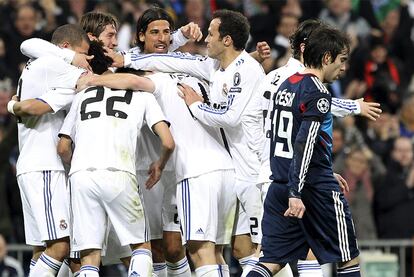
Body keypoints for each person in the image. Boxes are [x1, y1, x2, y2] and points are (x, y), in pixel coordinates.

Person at [76, 67, 237, 277]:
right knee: (212, 251)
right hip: (220, 167)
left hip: (190, 172)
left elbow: (63, 145)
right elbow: (169, 142)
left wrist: (92, 79)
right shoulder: (196, 77)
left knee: (197, 251)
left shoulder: (149, 87)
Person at [257, 19, 382, 276]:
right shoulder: (317, 93)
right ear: (327, 58)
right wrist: (300, 188)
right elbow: (304, 143)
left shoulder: (286, 84)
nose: (344, 68)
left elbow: (283, 140)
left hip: (278, 182)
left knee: (271, 262)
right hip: (309, 188)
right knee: (348, 256)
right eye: (342, 60)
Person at [57, 41, 175, 277]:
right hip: (119, 173)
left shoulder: (83, 94)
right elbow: (168, 142)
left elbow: (62, 147)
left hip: (81, 176)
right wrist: (159, 164)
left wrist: (79, 164)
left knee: (90, 256)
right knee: (141, 248)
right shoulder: (142, 95)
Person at [6, 24, 89, 276]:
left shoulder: (37, 65)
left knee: (43, 250)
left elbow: (28, 45)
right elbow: (93, 82)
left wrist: (12, 106)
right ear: (65, 49)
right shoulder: (55, 66)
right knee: (61, 246)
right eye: (83, 54)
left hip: (31, 165)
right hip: (46, 167)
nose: (84, 62)